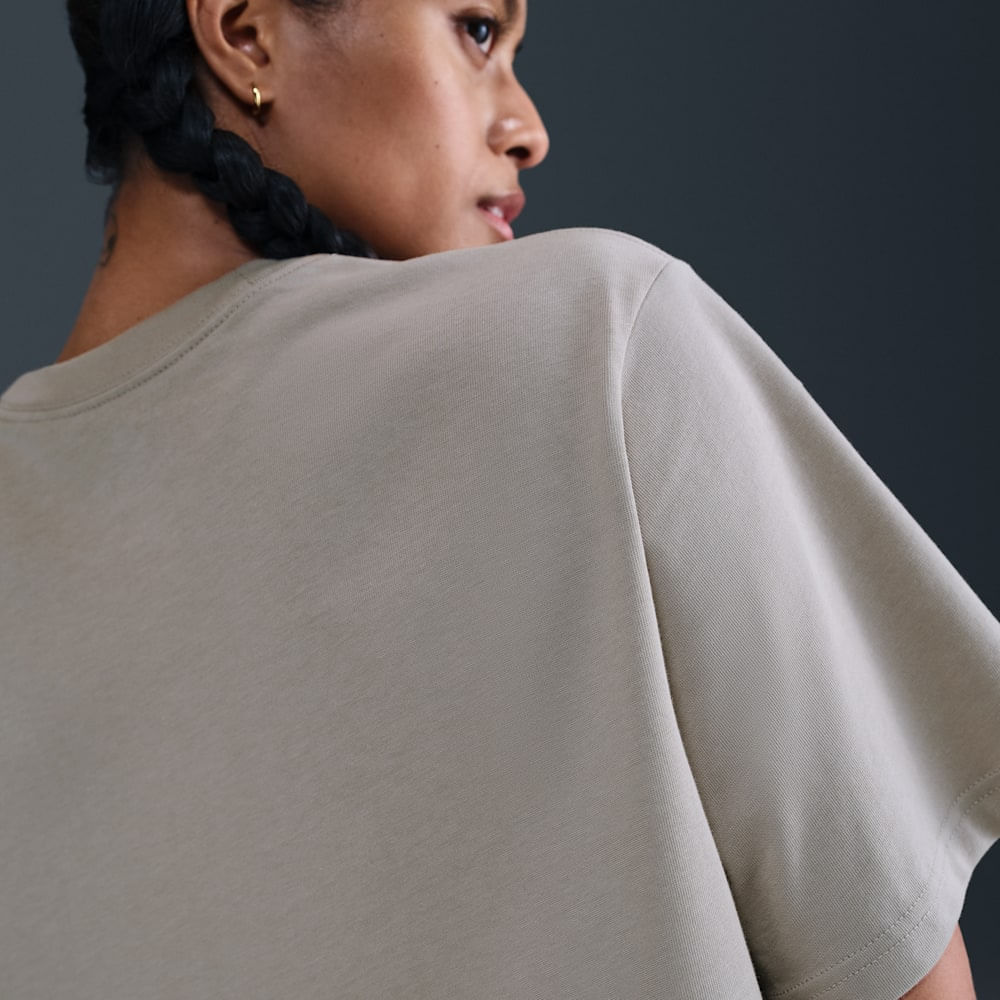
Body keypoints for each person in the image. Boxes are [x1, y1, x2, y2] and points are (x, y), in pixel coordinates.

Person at [0, 1, 995, 998]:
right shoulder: (592, 337)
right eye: (477, 29)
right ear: (245, 31)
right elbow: (905, 978)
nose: (528, 127)